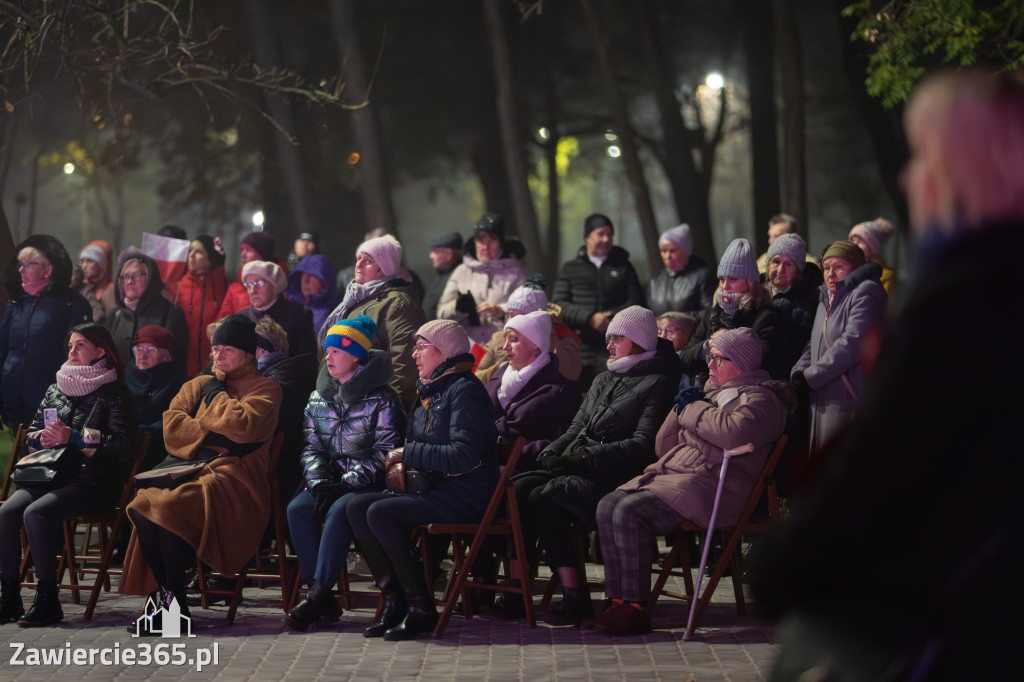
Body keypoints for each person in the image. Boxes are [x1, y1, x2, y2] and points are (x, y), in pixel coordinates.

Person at [752, 68, 1024, 680]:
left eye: (924, 155)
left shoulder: (967, 297)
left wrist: (783, 563)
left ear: (968, 169)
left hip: (965, 609)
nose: (908, 177)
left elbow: (889, 458)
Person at [593, 328, 789, 635]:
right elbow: (663, 446)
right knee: (608, 505)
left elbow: (732, 432)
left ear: (741, 362)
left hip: (717, 490)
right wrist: (679, 408)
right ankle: (618, 601)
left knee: (629, 511)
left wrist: (692, 408)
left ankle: (634, 608)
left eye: (717, 358)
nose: (709, 365)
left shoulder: (761, 399)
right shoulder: (708, 394)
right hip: (680, 480)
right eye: (708, 358)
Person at [512, 306, 680, 625]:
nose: (609, 346)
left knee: (544, 497)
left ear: (637, 340)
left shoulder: (657, 382)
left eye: (616, 338)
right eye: (608, 338)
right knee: (519, 489)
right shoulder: (605, 377)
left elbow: (643, 444)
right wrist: (552, 451)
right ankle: (519, 590)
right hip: (581, 464)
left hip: (617, 475)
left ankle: (574, 594)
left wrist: (587, 458)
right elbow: (576, 428)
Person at [119, 315, 281, 626]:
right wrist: (214, 431)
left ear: (249, 353)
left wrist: (215, 399)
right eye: (215, 349)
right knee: (141, 507)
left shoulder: (267, 388)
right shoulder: (199, 383)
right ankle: (171, 602)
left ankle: (173, 609)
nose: (218, 356)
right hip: (189, 470)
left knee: (166, 507)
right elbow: (172, 429)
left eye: (228, 349)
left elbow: (242, 428)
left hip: (236, 479)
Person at [345, 319, 498, 641]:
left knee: (379, 512)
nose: (414, 354)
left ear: (443, 352)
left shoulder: (464, 390)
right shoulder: (433, 388)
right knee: (357, 506)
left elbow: (462, 456)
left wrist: (408, 453)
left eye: (421, 347)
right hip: (437, 487)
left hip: (466, 493)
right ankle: (394, 600)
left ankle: (420, 607)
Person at [0, 324, 133, 626]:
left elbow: (122, 445)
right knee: (6, 513)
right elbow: (31, 432)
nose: (72, 351)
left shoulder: (115, 393)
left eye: (80, 345)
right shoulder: (55, 388)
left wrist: (74, 437)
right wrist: (41, 439)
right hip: (48, 474)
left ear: (101, 351)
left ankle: (47, 599)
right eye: (70, 345)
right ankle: (8, 597)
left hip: (91, 480)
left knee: (36, 513)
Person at [284, 316, 405, 631]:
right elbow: (312, 448)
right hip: (331, 482)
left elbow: (385, 452)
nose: (329, 356)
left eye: (337, 350)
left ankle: (317, 595)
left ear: (356, 356)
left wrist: (345, 485)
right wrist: (320, 482)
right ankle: (318, 592)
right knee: (297, 508)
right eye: (327, 351)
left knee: (339, 511)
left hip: (368, 484)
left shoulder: (383, 398)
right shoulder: (317, 397)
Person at [790, 240, 887, 454]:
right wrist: (799, 370)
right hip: (824, 402)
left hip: (846, 403)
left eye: (838, 267)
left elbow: (853, 342)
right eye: (826, 268)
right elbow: (814, 342)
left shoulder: (865, 292)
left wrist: (811, 376)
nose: (830, 274)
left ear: (855, 268)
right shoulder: (827, 298)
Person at [0, 235, 93, 431]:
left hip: (49, 398)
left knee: (44, 454)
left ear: (48, 269)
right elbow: (3, 348)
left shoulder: (73, 304)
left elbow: (80, 361)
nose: (21, 270)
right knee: (17, 454)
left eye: (29, 264)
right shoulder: (17, 301)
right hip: (12, 396)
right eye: (20, 264)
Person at [319, 235, 425, 406]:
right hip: (354, 403)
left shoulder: (397, 303)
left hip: (377, 404)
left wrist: (395, 405)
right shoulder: (355, 301)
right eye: (358, 258)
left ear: (384, 268)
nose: (358, 264)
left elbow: (405, 361)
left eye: (367, 261)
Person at [552, 213, 645, 388]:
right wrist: (589, 318)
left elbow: (636, 302)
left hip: (616, 350)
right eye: (600, 234)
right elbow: (558, 305)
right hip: (578, 350)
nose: (606, 239)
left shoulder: (624, 266)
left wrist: (610, 320)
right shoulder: (570, 269)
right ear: (587, 237)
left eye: (610, 234)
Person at [679, 238, 790, 382]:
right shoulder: (712, 313)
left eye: (733, 279)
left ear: (749, 282)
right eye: (722, 279)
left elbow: (762, 364)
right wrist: (708, 345)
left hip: (744, 393)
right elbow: (684, 359)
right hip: (707, 391)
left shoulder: (767, 316)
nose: (725, 286)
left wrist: (728, 343)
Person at [437, 213, 526, 345]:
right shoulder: (461, 272)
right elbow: (440, 314)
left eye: (492, 240)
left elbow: (528, 313)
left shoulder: (516, 273)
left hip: (503, 350)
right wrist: (457, 307)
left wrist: (501, 311)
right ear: (474, 242)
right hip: (467, 350)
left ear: (501, 242)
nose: (485, 246)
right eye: (480, 240)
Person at [254, 317, 315, 506]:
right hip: (294, 466)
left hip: (280, 468)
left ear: (263, 350)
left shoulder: (275, 381)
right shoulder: (293, 370)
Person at [474, 276, 582, 385]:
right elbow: (474, 375)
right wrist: (499, 369)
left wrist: (548, 334)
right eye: (510, 314)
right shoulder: (498, 337)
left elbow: (569, 375)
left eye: (520, 316)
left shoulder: (561, 337)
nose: (511, 320)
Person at [106, 254, 189, 371]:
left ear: (150, 278)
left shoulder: (170, 312)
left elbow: (177, 360)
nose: (130, 281)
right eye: (125, 276)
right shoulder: (116, 315)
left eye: (136, 275)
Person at [124, 325, 187, 472]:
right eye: (139, 349)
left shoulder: (180, 384)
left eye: (151, 350)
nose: (143, 356)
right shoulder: (124, 376)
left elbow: (177, 420)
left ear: (168, 356)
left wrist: (144, 432)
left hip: (157, 452)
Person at [165, 235, 229, 377]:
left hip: (216, 369)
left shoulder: (226, 287)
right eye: (190, 251)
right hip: (182, 369)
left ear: (211, 258)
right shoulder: (176, 288)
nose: (191, 255)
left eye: (199, 252)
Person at [236, 260, 317, 363]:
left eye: (259, 283)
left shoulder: (299, 315)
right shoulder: (240, 319)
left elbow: (306, 362)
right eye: (249, 284)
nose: (252, 290)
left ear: (275, 287)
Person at [646, 224, 716, 317]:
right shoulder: (655, 280)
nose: (667, 256)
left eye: (673, 250)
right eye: (663, 251)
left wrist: (680, 319)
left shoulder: (702, 276)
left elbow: (710, 312)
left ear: (686, 251)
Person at [219, 231, 285, 318]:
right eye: (242, 250)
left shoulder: (282, 286)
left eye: (248, 250)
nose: (243, 255)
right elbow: (223, 320)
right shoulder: (234, 289)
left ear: (263, 254)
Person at [755, 213, 823, 287]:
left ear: (791, 236)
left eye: (776, 236)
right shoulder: (762, 260)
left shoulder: (810, 265)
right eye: (770, 236)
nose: (770, 241)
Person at [284, 254, 338, 337]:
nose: (306, 280)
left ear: (327, 279)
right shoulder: (289, 309)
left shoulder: (337, 315)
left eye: (313, 275)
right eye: (302, 274)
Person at [848, 217, 898, 297]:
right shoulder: (843, 270)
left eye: (861, 241)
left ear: (873, 246)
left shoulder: (885, 276)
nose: (855, 244)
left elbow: (884, 307)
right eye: (852, 240)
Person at [72, 240, 117, 325]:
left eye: (89, 261)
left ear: (102, 264)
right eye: (82, 261)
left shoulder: (112, 291)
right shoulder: (80, 287)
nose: (84, 266)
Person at [422, 231, 462, 321]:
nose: (431, 256)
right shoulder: (442, 274)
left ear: (448, 254)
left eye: (435, 252)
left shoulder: (457, 277)